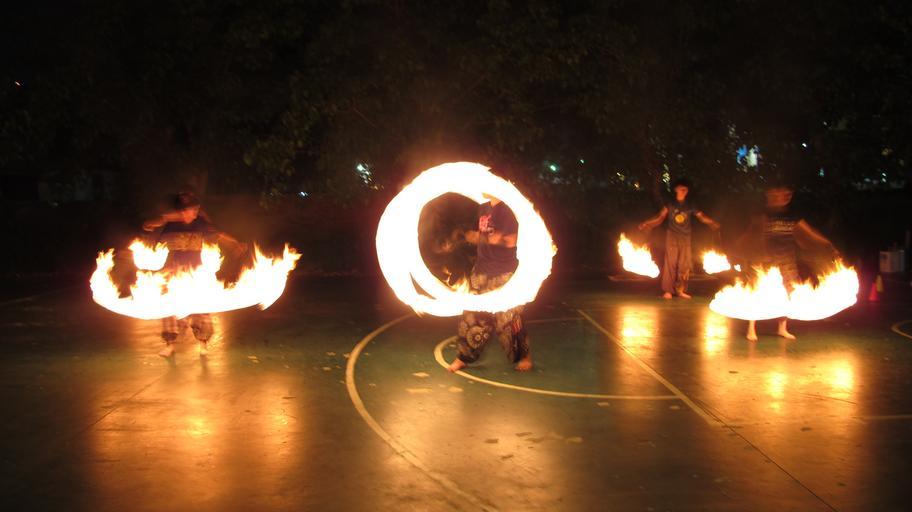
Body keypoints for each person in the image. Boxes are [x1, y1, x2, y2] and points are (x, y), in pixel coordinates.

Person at [142, 192, 245, 358]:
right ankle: (170, 345)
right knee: (170, 310)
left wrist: (235, 242)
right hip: (174, 272)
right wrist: (151, 226)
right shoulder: (172, 225)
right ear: (182, 211)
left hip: (196, 272)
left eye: (195, 209)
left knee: (200, 310)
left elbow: (218, 233)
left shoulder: (200, 224)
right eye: (190, 210)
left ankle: (203, 344)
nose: (193, 213)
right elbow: (157, 236)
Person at [448, 193, 533, 372]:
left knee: (508, 318)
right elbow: (483, 236)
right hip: (481, 270)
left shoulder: (508, 208)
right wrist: (469, 237)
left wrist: (479, 237)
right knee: (471, 317)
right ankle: (463, 357)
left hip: (503, 272)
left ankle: (524, 357)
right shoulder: (484, 207)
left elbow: (511, 240)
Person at [744, 184, 838, 341]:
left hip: (787, 259)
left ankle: (782, 328)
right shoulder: (762, 213)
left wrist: (826, 243)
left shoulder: (792, 215)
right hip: (765, 260)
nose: (783, 198)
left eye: (787, 195)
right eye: (778, 195)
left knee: (788, 291)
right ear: (770, 195)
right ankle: (751, 328)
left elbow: (808, 232)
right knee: (758, 291)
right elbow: (753, 233)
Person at [638, 178, 721, 299]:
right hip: (672, 235)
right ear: (676, 189)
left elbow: (701, 216)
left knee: (684, 264)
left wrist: (712, 223)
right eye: (682, 189)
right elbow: (660, 217)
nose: (684, 191)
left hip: (686, 236)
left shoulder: (690, 204)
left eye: (686, 189)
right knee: (670, 263)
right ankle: (668, 291)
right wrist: (648, 223)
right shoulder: (670, 203)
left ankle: (680, 290)